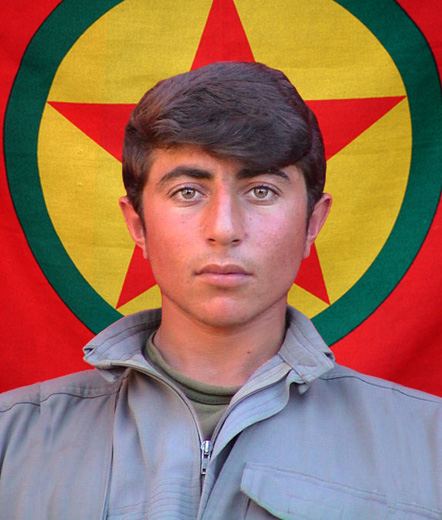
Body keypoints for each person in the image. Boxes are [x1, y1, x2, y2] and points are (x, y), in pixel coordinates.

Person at [0, 61, 440, 519]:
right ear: (138, 225)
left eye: (262, 191)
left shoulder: (430, 445)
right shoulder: (10, 440)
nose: (224, 228)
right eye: (188, 192)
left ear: (313, 222)